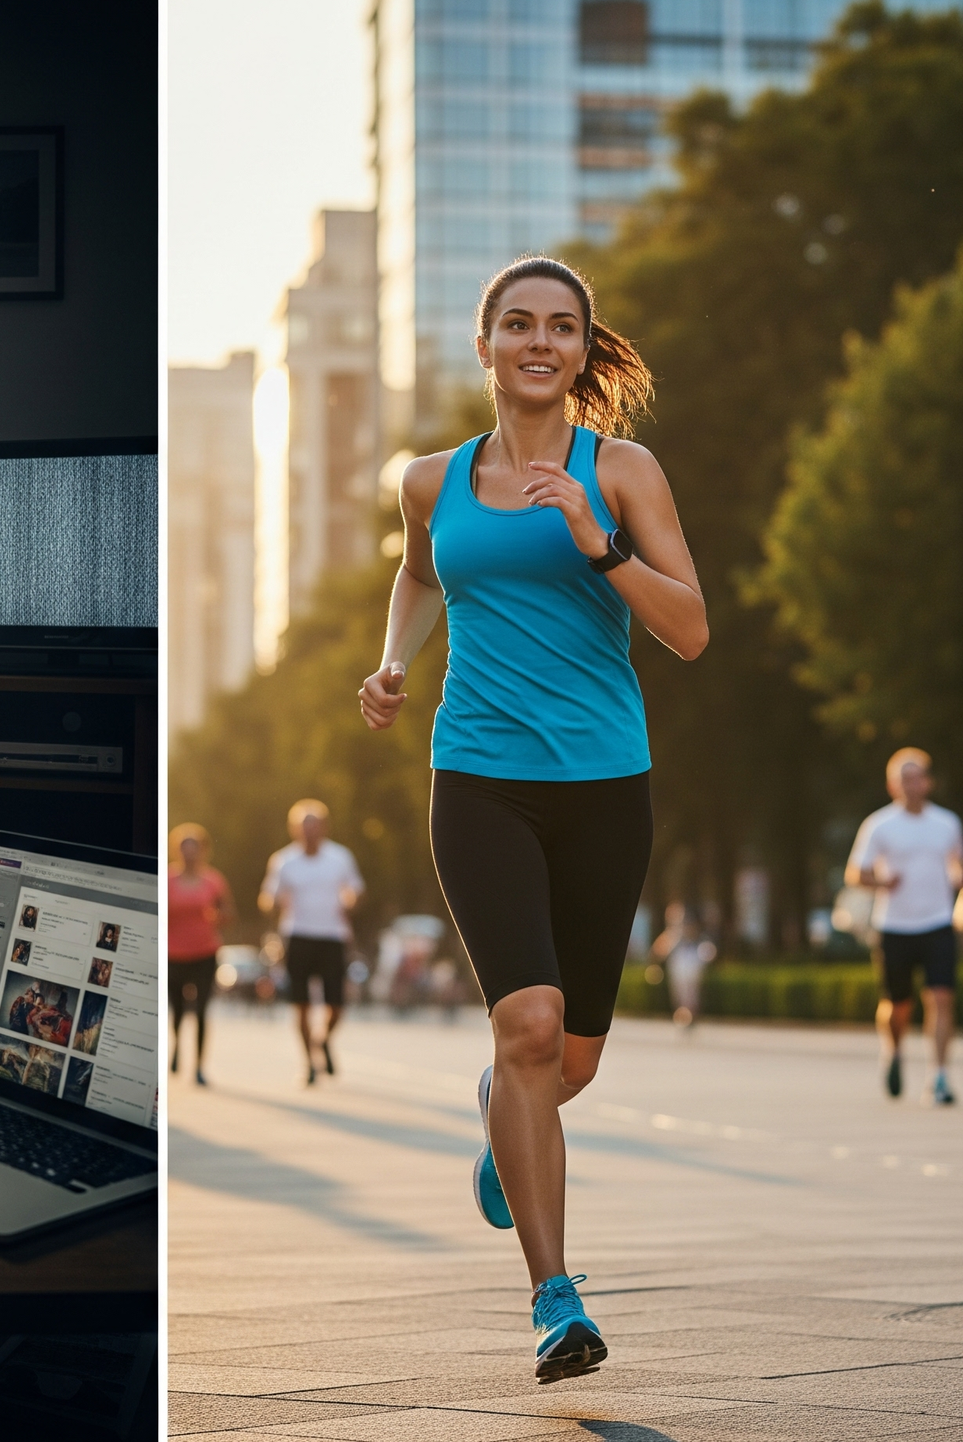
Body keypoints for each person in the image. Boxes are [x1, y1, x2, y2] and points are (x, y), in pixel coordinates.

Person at [358, 256, 707, 1383]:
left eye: (561, 326)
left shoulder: (627, 469)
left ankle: (504, 1123)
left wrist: (598, 538)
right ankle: (555, 1301)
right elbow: (418, 575)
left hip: (606, 784)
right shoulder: (429, 480)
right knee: (528, 1031)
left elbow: (691, 631)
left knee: (572, 1062)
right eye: (518, 324)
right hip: (480, 779)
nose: (538, 342)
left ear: (581, 349)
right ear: (487, 345)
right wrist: (389, 664)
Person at [846, 747, 963, 1103]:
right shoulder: (879, 825)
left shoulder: (946, 823)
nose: (912, 785)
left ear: (927, 782)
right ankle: (893, 1051)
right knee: (899, 1006)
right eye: (904, 779)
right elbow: (855, 874)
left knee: (941, 997)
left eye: (917, 777)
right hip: (894, 926)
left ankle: (938, 1076)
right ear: (892, 784)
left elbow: (958, 866)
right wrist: (881, 883)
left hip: (938, 923)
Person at [259, 800, 364, 1085]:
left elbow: (355, 889)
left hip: (332, 936)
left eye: (314, 827)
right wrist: (274, 902)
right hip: (298, 936)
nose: (309, 833)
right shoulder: (283, 860)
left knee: (337, 1005)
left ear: (323, 828)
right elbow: (267, 898)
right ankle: (308, 1063)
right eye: (304, 827)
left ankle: (323, 1040)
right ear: (295, 829)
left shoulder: (340, 857)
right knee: (301, 1005)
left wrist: (350, 901)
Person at [168, 822, 236, 1087]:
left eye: (195, 849)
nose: (190, 854)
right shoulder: (168, 879)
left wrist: (218, 916)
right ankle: (176, 1045)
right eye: (185, 849)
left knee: (202, 1010)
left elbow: (229, 914)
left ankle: (198, 1066)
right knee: (178, 1009)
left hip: (206, 952)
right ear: (177, 851)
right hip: (174, 953)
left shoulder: (214, 881)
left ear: (203, 851)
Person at [651, 903, 717, 1029]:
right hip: (678, 967)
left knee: (691, 994)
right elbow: (659, 950)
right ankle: (685, 1017)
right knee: (681, 994)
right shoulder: (671, 935)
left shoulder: (694, 934)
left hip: (690, 965)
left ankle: (689, 1016)